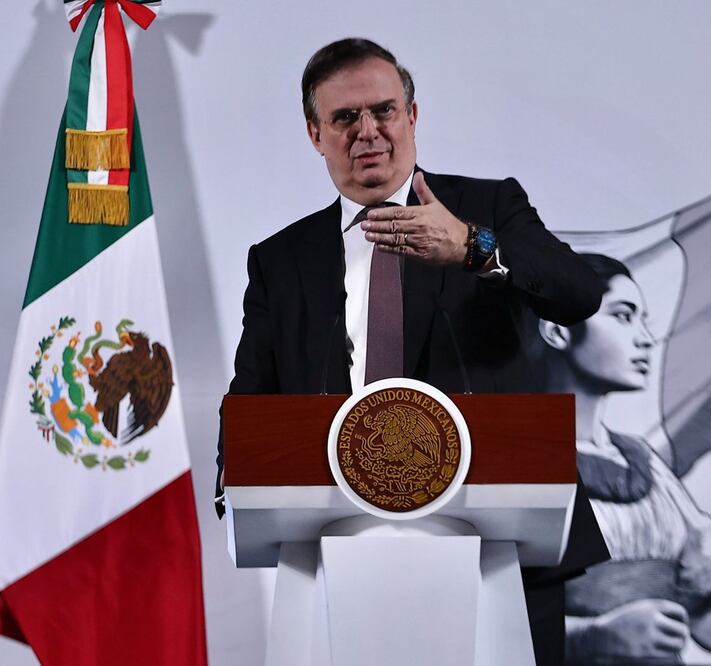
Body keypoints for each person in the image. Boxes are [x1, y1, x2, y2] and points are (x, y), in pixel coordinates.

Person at [215, 38, 609, 665]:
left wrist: (475, 247)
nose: (367, 131)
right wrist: (232, 477)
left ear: (412, 116)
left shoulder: (484, 208)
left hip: (499, 540)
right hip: (335, 545)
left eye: (384, 110)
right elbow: (252, 395)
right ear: (316, 134)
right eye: (345, 118)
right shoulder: (281, 260)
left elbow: (579, 293)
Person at [535, 253, 711, 664]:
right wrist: (590, 637)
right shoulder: (515, 455)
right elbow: (484, 609)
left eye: (643, 320)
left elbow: (701, 616)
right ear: (557, 331)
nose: (646, 338)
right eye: (623, 316)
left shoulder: (642, 459)